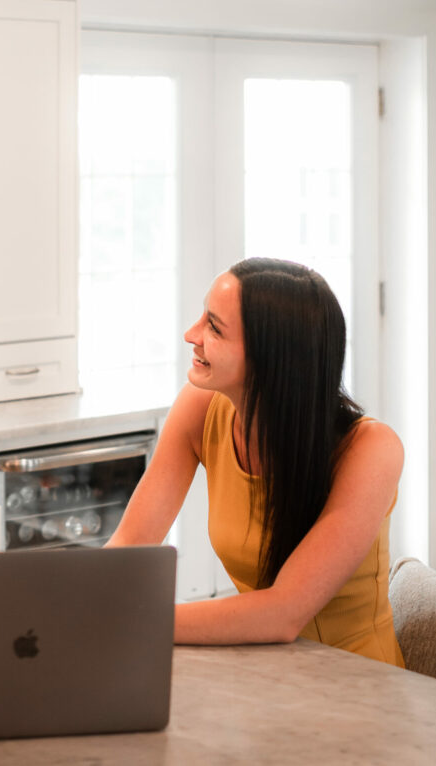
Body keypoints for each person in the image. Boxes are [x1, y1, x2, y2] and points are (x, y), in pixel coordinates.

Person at [107, 258, 404, 666]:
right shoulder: (200, 407)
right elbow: (129, 546)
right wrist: (88, 599)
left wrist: (136, 622)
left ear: (271, 358)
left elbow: (283, 614)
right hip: (266, 672)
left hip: (361, 686)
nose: (191, 334)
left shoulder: (370, 449)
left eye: (214, 327)